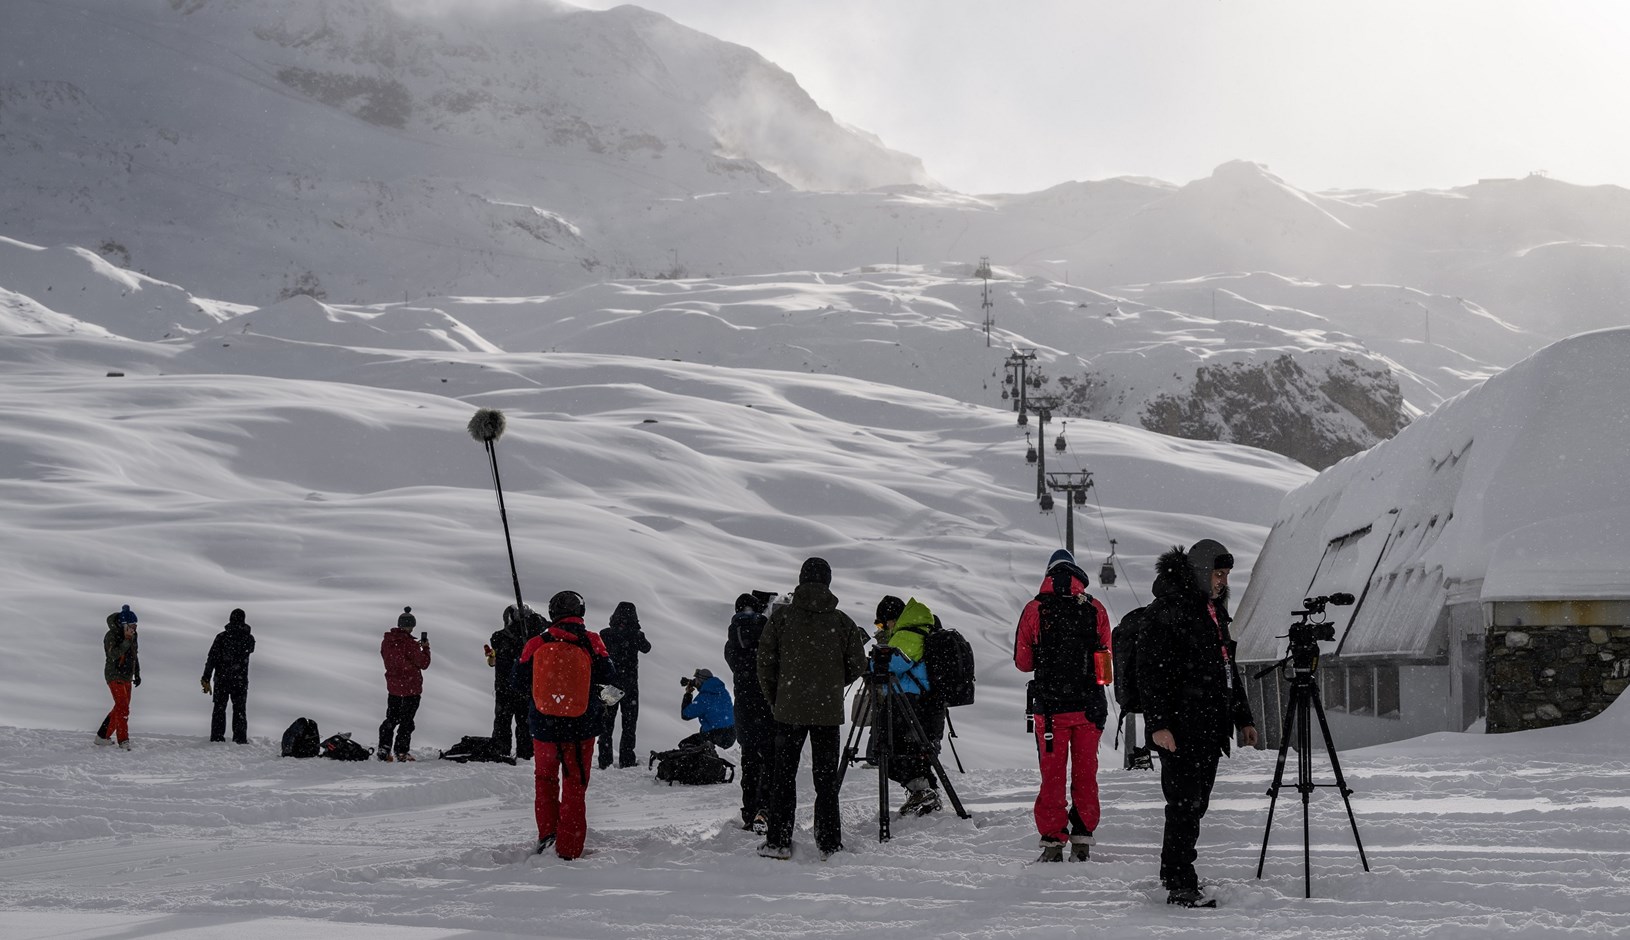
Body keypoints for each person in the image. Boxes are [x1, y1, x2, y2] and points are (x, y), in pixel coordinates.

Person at [1137, 539, 1258, 908]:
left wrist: (1243, 718)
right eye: (1218, 574)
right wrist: (1159, 724)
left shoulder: (1212, 611)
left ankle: (1173, 870)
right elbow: (1150, 674)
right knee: (1184, 805)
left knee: (1195, 804)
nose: (1223, 582)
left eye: (1226, 575)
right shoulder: (1168, 611)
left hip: (1208, 726)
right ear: (1201, 572)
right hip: (1179, 727)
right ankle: (1179, 883)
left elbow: (1226, 669)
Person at [756, 557, 867, 860]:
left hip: (788, 711)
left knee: (783, 777)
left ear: (801, 579)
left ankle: (778, 842)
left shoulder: (781, 619)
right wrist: (832, 683)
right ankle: (829, 844)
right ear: (828, 582)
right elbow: (858, 664)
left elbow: (764, 663)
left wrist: (777, 697)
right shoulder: (842, 622)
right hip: (827, 712)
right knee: (826, 782)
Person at [1014, 549, 1113, 863]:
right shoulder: (1095, 608)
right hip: (1089, 708)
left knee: (1053, 777)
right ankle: (1082, 839)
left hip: (1050, 710)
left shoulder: (1035, 609)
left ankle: (1053, 843)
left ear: (1048, 575)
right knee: (1086, 774)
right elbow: (1105, 665)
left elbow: (1023, 663)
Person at [514, 590, 621, 860]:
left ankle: (547, 836)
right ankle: (569, 848)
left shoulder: (537, 642)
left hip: (543, 726)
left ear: (553, 613)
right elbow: (610, 677)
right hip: (580, 728)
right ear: (581, 612)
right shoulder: (592, 641)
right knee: (575, 784)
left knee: (545, 780)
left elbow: (517, 682)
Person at [875, 596, 945, 817]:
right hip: (923, 703)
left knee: (888, 751)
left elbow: (893, 665)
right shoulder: (922, 628)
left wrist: (871, 662)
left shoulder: (907, 633)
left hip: (908, 702)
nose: (883, 628)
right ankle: (925, 792)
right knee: (915, 751)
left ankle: (922, 791)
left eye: (882, 623)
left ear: (892, 618)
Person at [724, 592, 774, 832]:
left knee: (750, 761)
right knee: (770, 760)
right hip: (767, 704)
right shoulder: (768, 631)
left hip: (744, 707)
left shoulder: (732, 639)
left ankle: (750, 811)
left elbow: (734, 664)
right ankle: (766, 810)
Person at [597, 601, 651, 769]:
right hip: (630, 686)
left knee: (606, 724)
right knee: (629, 724)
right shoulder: (636, 635)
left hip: (611, 685)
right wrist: (635, 630)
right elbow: (647, 648)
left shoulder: (605, 634)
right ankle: (627, 760)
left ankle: (604, 760)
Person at [379, 606, 431, 762]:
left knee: (391, 719)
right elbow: (424, 663)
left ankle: (384, 749)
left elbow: (388, 659)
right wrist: (425, 649)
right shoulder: (409, 644)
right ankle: (401, 751)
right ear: (410, 626)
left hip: (394, 688)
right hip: (411, 689)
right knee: (407, 722)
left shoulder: (387, 642)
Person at [200, 608, 256, 744]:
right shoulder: (248, 638)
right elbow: (250, 648)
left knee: (219, 708)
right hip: (240, 680)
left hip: (222, 679)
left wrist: (206, 677)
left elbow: (212, 658)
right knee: (239, 709)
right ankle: (240, 738)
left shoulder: (222, 637)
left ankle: (217, 737)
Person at [488, 604, 536, 760]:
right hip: (523, 687)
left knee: (503, 722)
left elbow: (495, 656)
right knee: (524, 723)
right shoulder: (530, 639)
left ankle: (502, 752)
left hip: (504, 687)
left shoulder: (499, 637)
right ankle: (525, 754)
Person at [97, 605, 141, 750]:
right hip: (114, 674)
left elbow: (134, 655)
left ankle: (102, 736)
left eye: (135, 624)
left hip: (127, 676)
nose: (135, 627)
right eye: (132, 624)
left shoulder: (134, 635)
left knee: (121, 707)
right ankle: (123, 741)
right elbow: (113, 655)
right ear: (124, 625)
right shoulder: (111, 635)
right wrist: (127, 640)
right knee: (123, 708)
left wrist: (137, 673)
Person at [678, 668, 736, 750]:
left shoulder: (704, 698)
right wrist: (691, 682)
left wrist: (688, 694)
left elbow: (685, 715)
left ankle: (705, 756)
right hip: (732, 733)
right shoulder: (722, 691)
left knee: (685, 744)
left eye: (696, 680)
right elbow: (703, 683)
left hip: (716, 736)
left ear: (700, 681)